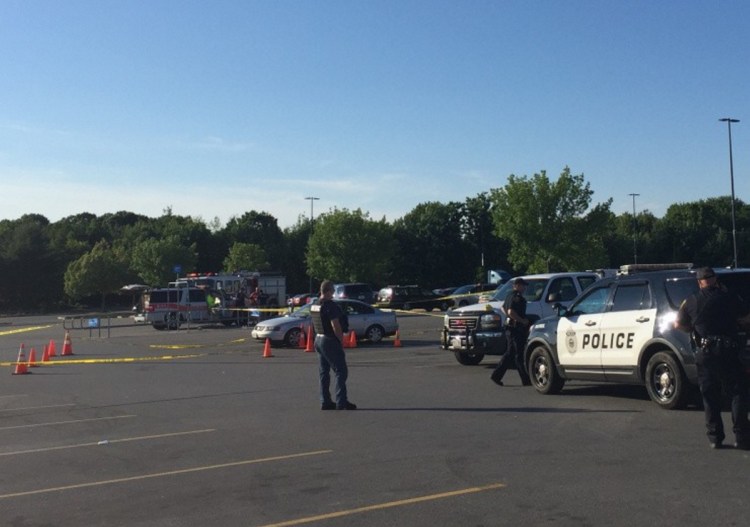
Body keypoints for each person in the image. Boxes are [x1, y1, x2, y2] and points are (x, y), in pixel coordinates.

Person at [674, 266, 750, 449]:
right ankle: (741, 437)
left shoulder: (692, 300)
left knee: (710, 395)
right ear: (715, 280)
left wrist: (694, 329)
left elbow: (677, 324)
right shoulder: (730, 297)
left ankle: (715, 438)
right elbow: (747, 318)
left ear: (700, 282)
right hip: (730, 350)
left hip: (706, 352)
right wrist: (738, 323)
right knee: (737, 392)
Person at [310, 280, 357, 410]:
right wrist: (340, 340)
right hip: (329, 339)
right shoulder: (330, 306)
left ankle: (325, 401)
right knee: (341, 371)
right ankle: (341, 401)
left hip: (318, 339)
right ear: (329, 291)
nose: (334, 294)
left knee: (323, 372)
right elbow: (335, 325)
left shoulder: (314, 305)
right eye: (333, 291)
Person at [491, 277, 532, 387]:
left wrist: (509, 317)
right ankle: (525, 379)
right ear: (517, 285)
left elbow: (503, 308)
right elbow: (510, 311)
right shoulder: (517, 298)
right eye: (523, 286)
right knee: (517, 354)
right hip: (516, 329)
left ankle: (498, 376)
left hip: (510, 328)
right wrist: (522, 320)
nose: (524, 288)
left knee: (512, 354)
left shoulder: (509, 295)